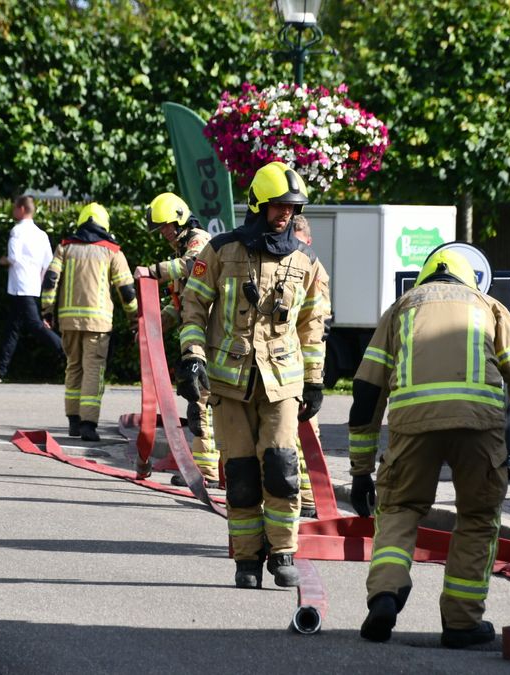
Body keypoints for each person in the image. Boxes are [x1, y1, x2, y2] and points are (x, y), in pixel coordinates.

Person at [346, 248, 510, 649]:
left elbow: (367, 392)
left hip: (413, 427)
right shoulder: (490, 307)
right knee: (476, 518)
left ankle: (386, 594)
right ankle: (461, 623)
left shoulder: (400, 309)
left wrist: (360, 471)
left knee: (400, 510)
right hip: (479, 427)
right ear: (470, 280)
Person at [177, 162, 331, 589]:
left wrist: (315, 379)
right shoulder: (222, 251)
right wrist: (192, 357)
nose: (286, 214)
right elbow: (193, 306)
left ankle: (283, 552)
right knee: (241, 474)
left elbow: (313, 325)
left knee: (282, 468)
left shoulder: (307, 262)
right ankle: (246, 561)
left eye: (292, 207)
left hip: (282, 383)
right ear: (258, 205)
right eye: (278, 206)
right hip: (229, 383)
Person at [134, 192, 220, 488]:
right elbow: (179, 301)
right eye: (161, 229)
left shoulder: (199, 241)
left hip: (208, 333)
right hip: (195, 331)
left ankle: (208, 471)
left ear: (180, 218)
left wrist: (152, 271)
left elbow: (193, 264)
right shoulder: (181, 249)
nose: (164, 233)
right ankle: (207, 469)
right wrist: (154, 325)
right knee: (199, 398)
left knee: (201, 398)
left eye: (167, 226)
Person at [41, 203, 138, 442]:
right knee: (93, 370)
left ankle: (73, 421)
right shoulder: (111, 250)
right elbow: (126, 290)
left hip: (69, 321)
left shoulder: (65, 247)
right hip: (99, 322)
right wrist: (135, 318)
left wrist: (47, 311)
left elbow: (50, 280)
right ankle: (88, 424)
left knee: (73, 366)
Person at [0, 195, 64, 383]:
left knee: (34, 326)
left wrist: (0, 261)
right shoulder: (41, 234)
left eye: (15, 207)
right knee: (12, 328)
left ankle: (68, 354)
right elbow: (48, 263)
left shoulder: (17, 231)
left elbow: (13, 258)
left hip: (19, 287)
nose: (13, 210)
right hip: (33, 287)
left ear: (22, 209)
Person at [290, 214, 321, 519]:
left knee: (306, 432)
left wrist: (313, 380)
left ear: (308, 242)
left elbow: (313, 327)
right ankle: (302, 495)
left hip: (304, 360)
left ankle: (311, 498)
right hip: (288, 361)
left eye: (298, 241)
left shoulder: (314, 270)